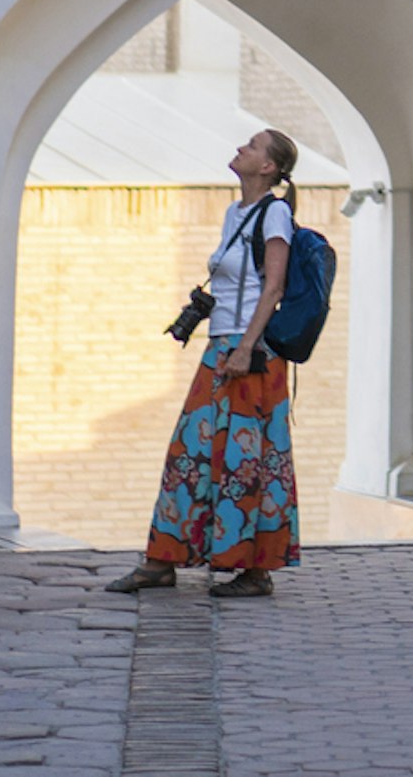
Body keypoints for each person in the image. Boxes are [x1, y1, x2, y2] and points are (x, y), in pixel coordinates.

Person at [109, 127, 303, 596]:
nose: (241, 148)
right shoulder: (234, 213)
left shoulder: (275, 213)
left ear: (268, 167)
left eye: (253, 146)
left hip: (250, 353)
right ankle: (164, 559)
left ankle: (254, 570)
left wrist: (244, 348)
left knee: (247, 460)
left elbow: (273, 288)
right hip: (222, 347)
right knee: (192, 454)